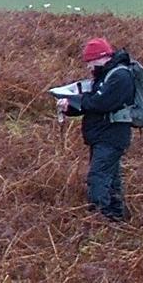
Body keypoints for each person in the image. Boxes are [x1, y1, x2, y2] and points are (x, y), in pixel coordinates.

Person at [58, 37, 137, 222]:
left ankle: (100, 219)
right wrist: (69, 107)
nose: (88, 66)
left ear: (101, 57)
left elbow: (100, 103)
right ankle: (116, 218)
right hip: (102, 136)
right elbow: (93, 104)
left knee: (98, 177)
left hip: (111, 137)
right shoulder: (105, 76)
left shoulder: (120, 76)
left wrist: (75, 100)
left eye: (90, 62)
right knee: (111, 178)